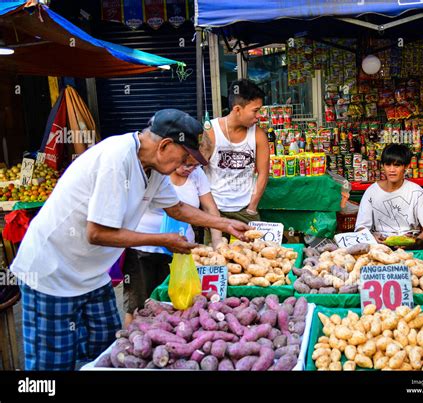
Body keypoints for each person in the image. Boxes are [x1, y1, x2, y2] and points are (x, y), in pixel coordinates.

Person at [10, 109, 250, 370]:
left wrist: (225, 223)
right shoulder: (117, 158)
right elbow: (97, 232)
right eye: (184, 157)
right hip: (52, 273)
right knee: (52, 365)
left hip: (92, 275)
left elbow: (177, 208)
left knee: (108, 354)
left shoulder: (154, 168)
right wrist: (163, 239)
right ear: (165, 146)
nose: (186, 167)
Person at [123, 155, 222, 327]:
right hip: (144, 250)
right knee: (138, 306)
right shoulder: (155, 171)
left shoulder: (197, 175)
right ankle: (131, 341)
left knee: (178, 305)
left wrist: (217, 242)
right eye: (186, 163)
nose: (190, 168)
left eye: (195, 164)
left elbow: (210, 207)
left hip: (181, 252)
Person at [355, 143, 423, 281]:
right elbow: (361, 227)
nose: (392, 170)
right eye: (388, 165)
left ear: (406, 166)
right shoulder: (371, 192)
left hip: (413, 241)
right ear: (383, 166)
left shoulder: (417, 192)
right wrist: (373, 239)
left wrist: (415, 241)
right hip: (380, 244)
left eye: (397, 165)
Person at [200, 79, 269, 240]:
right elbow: (197, 170)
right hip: (216, 210)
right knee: (215, 259)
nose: (259, 116)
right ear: (237, 109)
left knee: (253, 260)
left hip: (245, 211)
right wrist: (206, 210)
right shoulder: (211, 131)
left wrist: (252, 208)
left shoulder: (258, 135)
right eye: (255, 111)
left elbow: (264, 173)